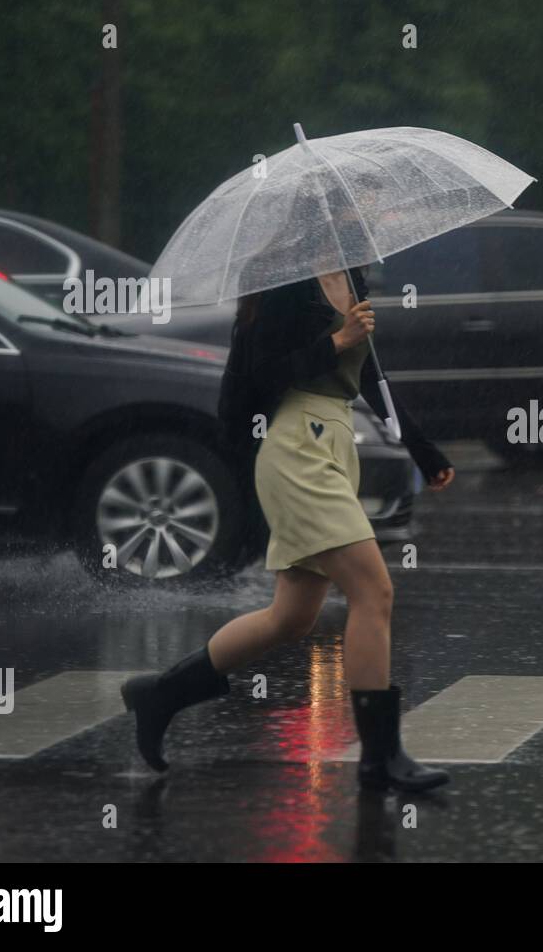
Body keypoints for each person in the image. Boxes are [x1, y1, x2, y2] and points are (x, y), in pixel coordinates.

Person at [121, 265, 454, 792]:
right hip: (298, 448)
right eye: (348, 204)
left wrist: (421, 448)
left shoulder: (350, 278)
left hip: (336, 443)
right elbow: (261, 377)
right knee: (374, 591)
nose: (357, 213)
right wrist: (338, 338)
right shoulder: (284, 288)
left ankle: (159, 695)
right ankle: (380, 759)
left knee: (291, 618)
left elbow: (370, 376)